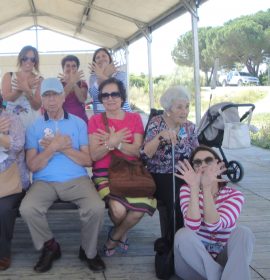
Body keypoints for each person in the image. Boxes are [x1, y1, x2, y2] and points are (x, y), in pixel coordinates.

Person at [19, 78, 105, 273]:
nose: (51, 100)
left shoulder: (78, 123)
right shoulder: (34, 127)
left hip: (77, 179)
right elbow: (32, 165)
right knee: (28, 208)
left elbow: (87, 160)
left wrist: (63, 149)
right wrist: (53, 149)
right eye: (46, 96)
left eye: (55, 95)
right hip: (44, 182)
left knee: (96, 207)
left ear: (63, 96)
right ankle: (50, 247)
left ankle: (88, 251)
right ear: (41, 99)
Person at [88, 77, 156, 256]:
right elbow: (94, 155)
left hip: (131, 172)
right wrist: (112, 142)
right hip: (104, 174)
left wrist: (116, 143)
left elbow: (136, 151)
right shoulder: (95, 121)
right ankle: (121, 233)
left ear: (122, 97)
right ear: (101, 99)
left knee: (136, 212)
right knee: (118, 211)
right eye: (105, 95)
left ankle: (115, 236)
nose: (110, 98)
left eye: (114, 94)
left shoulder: (134, 118)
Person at [174, 145, 255, 280]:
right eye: (198, 162)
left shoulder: (234, 195)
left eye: (208, 160)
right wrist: (195, 187)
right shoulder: (187, 190)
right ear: (194, 168)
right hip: (193, 263)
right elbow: (192, 227)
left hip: (223, 257)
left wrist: (206, 188)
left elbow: (214, 225)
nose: (203, 165)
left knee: (244, 232)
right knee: (183, 235)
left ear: (219, 165)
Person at [140, 86, 198, 239]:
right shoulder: (156, 123)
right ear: (168, 109)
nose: (184, 111)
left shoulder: (190, 127)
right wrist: (160, 137)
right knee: (178, 198)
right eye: (179, 107)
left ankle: (196, 238)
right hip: (161, 175)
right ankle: (174, 242)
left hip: (185, 173)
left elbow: (196, 154)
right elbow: (145, 155)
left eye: (187, 107)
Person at [0, 95, 30, 270]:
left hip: (11, 181)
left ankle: (2, 253)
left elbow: (17, 146)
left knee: (3, 209)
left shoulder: (12, 120)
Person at [1, 45, 42, 128]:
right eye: (25, 58)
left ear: (35, 61)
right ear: (20, 59)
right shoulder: (9, 76)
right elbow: (6, 99)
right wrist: (23, 88)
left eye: (32, 59)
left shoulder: (39, 79)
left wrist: (27, 90)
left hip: (32, 124)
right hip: (12, 125)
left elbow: (37, 106)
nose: (28, 61)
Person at [89, 47, 132, 114]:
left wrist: (101, 75)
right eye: (98, 57)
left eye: (104, 56)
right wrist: (104, 74)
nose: (101, 59)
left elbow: (120, 92)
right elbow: (93, 95)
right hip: (101, 118)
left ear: (109, 58)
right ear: (95, 62)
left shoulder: (121, 74)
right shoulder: (93, 77)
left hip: (123, 115)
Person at [58, 55, 88, 123]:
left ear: (77, 68)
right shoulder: (58, 84)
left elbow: (82, 99)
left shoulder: (82, 83)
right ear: (63, 68)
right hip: (63, 120)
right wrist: (71, 82)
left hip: (80, 119)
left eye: (74, 66)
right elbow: (59, 99)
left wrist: (73, 83)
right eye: (68, 66)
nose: (71, 68)